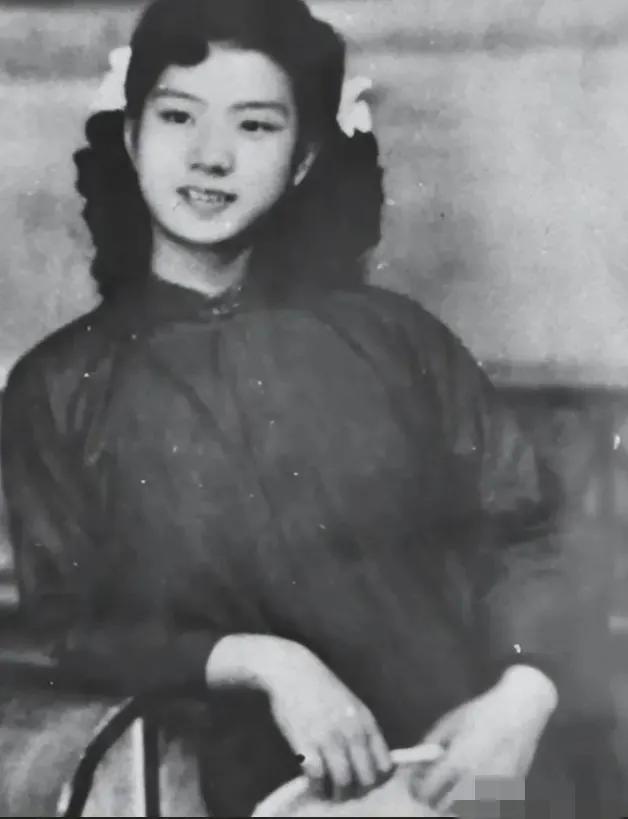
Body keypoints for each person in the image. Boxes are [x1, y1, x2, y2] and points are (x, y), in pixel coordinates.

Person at [0, 0, 620, 815]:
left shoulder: (398, 340)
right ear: (130, 134)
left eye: (255, 126)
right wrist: (264, 661)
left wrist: (525, 692)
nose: (211, 155)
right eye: (178, 116)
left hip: (468, 774)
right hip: (226, 793)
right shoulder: (57, 385)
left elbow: (534, 533)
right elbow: (71, 625)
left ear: (303, 160)